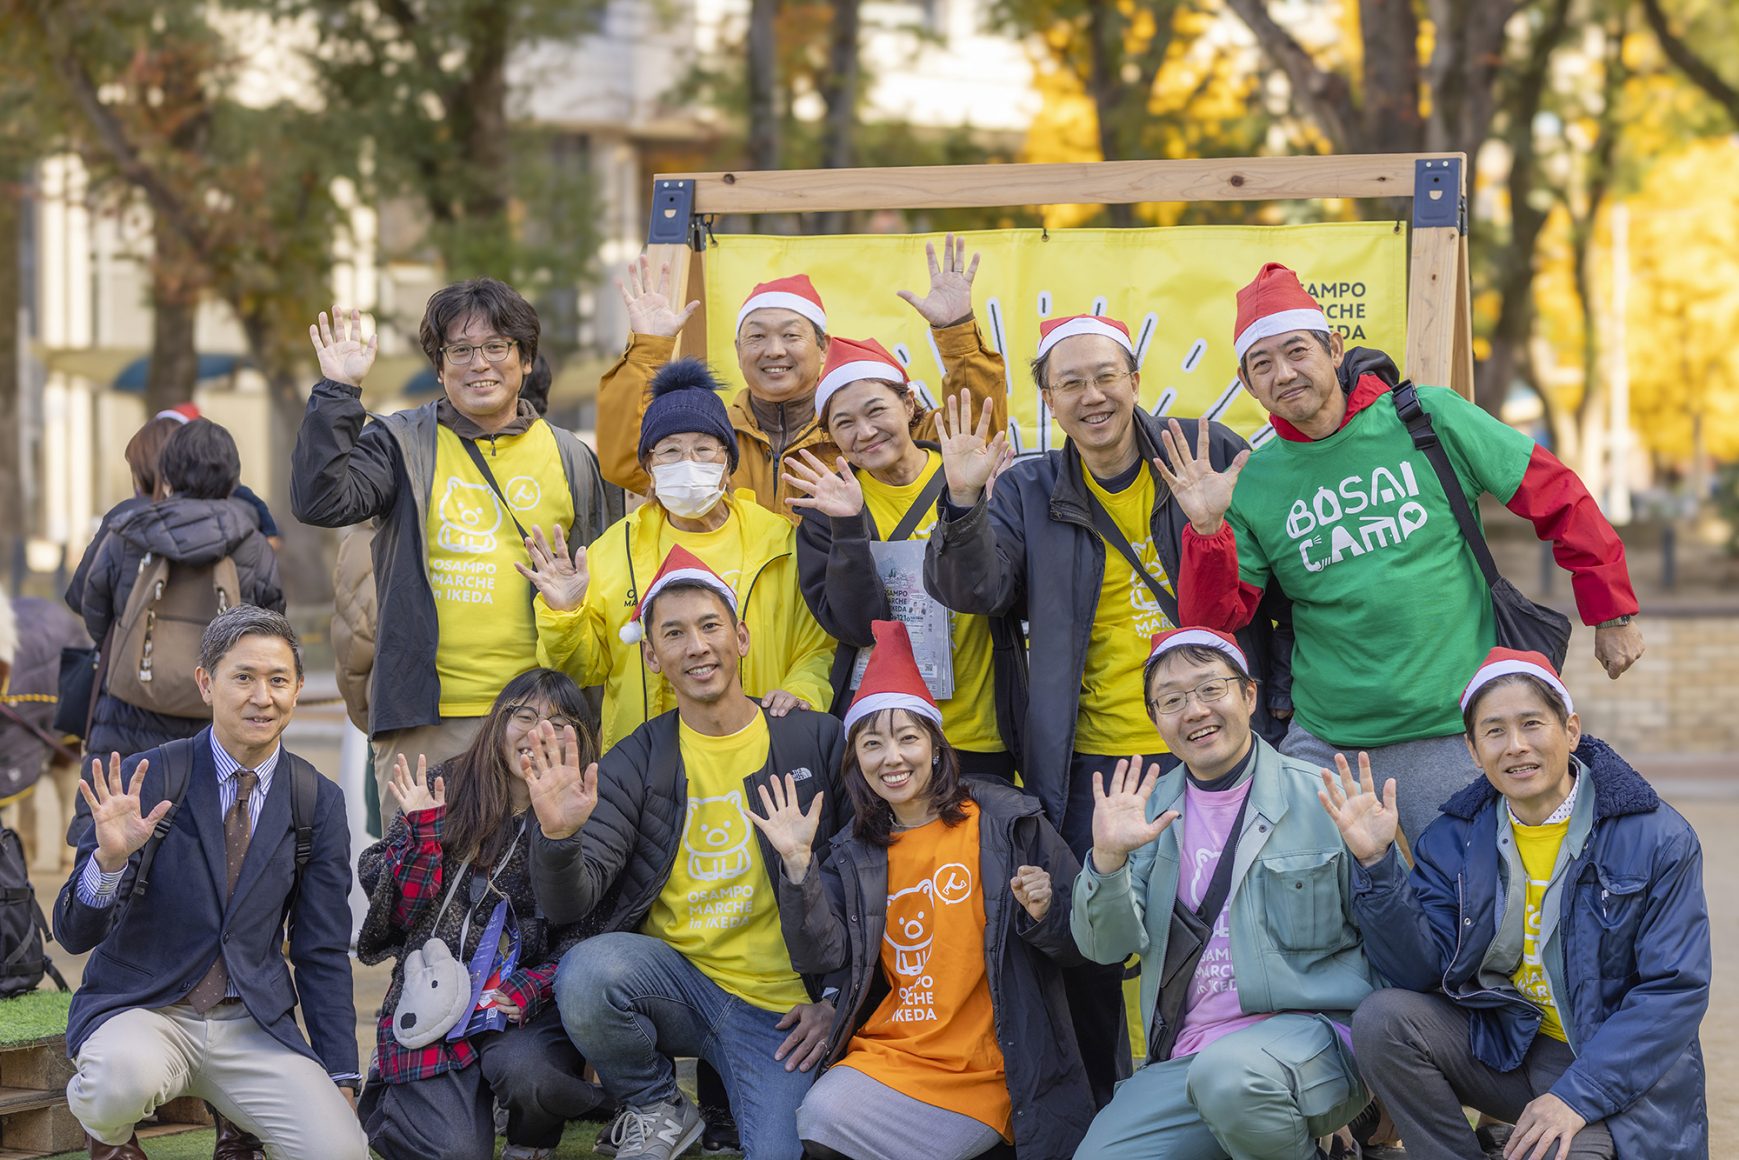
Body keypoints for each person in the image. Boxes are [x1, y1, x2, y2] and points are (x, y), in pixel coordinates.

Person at [922, 314, 1287, 1105]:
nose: (1092, 396)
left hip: (1210, 748)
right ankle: (1107, 1109)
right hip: (1092, 764)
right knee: (1090, 942)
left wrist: (1278, 713)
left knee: (1229, 933)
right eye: (1070, 383)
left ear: (1132, 378)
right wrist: (960, 501)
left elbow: (1271, 589)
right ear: (1049, 399)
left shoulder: (1206, 449)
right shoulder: (1023, 488)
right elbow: (975, 592)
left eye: (1105, 376)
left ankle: (1243, 1093)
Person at [1169, 262, 1643, 842]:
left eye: (1296, 351)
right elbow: (1212, 624)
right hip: (1328, 743)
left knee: (1466, 919)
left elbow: (1557, 496)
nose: (1284, 373)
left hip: (1453, 729)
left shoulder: (1426, 417)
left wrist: (1611, 611)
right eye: (1261, 364)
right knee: (1309, 915)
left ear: (1333, 347)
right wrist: (1207, 529)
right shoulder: (1255, 481)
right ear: (1248, 384)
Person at [525, 550, 848, 1160]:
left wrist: (836, 999)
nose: (696, 646)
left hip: (782, 1013)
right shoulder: (636, 759)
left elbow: (866, 883)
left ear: (742, 638)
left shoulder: (814, 738)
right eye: (673, 633)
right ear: (652, 657)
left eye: (709, 626)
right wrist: (559, 837)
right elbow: (572, 901)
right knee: (589, 973)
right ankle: (657, 1105)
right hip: (681, 985)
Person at [1326, 648, 1710, 1160]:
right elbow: (1419, 972)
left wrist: (1577, 1096)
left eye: (1532, 724)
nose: (1516, 747)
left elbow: (1674, 991)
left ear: (1571, 730)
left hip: (1606, 1063)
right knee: (1385, 1019)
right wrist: (1377, 865)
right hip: (1508, 1044)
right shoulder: (1453, 837)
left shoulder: (1656, 836)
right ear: (1471, 749)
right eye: (1495, 731)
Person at [749, 620, 1092, 1160]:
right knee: (820, 1118)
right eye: (873, 743)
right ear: (856, 761)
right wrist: (798, 868)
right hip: (895, 1051)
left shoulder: (1007, 821)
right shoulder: (853, 850)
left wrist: (1047, 910)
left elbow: (1084, 943)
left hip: (993, 1065)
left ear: (935, 746)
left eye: (908, 738)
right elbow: (823, 954)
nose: (893, 758)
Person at [53, 606, 365, 1160]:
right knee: (113, 1086)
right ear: (206, 683)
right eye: (242, 677)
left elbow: (320, 950)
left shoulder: (317, 800)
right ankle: (108, 1139)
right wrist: (107, 860)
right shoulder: (147, 780)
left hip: (251, 1023)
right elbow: (74, 934)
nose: (261, 697)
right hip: (147, 1011)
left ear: (297, 690)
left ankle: (236, 1119)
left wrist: (341, 1074)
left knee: (339, 1150)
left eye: (278, 680)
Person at [291, 283, 609, 820]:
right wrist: (339, 391)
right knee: (419, 892)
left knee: (534, 893)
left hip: (542, 716)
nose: (478, 363)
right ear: (439, 368)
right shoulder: (399, 443)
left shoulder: (572, 457)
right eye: (459, 351)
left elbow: (604, 587)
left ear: (525, 359)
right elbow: (321, 500)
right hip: (426, 723)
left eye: (496, 347)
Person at [1070, 627, 1376, 1159]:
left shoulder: (1323, 796)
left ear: (1250, 695)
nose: (1194, 711)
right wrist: (1108, 862)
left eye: (1211, 689)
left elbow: (1392, 942)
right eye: (1171, 700)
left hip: (1319, 1040)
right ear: (1155, 719)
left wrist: (1391, 1084)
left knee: (1232, 1078)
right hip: (1192, 1057)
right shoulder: (1146, 813)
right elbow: (1104, 948)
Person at [356, 668, 606, 1160]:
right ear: (498, 721)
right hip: (437, 999)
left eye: (558, 723)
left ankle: (532, 1135)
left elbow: (593, 931)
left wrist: (535, 987)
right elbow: (399, 917)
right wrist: (424, 840)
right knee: (453, 1153)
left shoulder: (588, 807)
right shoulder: (445, 785)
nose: (538, 733)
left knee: (530, 1074)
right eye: (525, 716)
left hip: (521, 1011)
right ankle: (404, 1100)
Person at [524, 359, 834, 753]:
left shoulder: (779, 543)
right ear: (650, 469)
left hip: (762, 746)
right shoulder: (615, 549)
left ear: (727, 466)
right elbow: (582, 669)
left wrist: (800, 691)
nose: (688, 463)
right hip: (646, 764)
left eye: (704, 449)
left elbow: (818, 647)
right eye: (670, 451)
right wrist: (565, 616)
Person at [596, 235, 1008, 517]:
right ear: (738, 351)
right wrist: (650, 347)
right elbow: (623, 462)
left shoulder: (860, 428)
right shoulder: (710, 434)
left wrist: (957, 333)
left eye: (791, 335)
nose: (774, 350)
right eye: (756, 337)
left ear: (823, 346)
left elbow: (973, 441)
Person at [786, 335, 1015, 781]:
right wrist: (849, 526)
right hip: (883, 737)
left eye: (876, 411)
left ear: (909, 403)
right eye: (844, 422)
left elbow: (1000, 592)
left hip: (981, 731)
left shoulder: (970, 476)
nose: (865, 432)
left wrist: (969, 502)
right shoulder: (825, 509)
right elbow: (853, 627)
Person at [75, 418, 283, 774]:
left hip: (128, 714)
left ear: (166, 475)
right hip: (218, 719)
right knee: (207, 823)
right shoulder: (253, 545)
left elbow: (94, 607)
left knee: (115, 817)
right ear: (232, 480)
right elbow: (272, 625)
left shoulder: (128, 533)